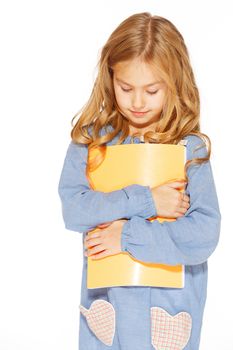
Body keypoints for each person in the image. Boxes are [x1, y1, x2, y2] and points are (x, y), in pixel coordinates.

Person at [58, 12, 221, 350]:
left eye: (151, 90)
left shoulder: (189, 149)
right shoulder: (91, 142)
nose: (137, 102)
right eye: (126, 88)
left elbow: (204, 234)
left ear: (174, 83)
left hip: (170, 311)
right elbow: (74, 210)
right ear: (110, 77)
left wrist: (128, 235)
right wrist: (147, 200)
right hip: (108, 310)